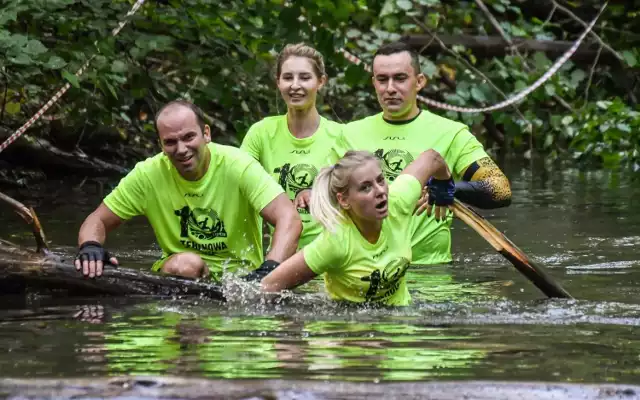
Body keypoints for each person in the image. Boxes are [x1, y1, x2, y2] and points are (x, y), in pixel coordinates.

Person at [297, 41, 512, 266]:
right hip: (366, 269)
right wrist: (309, 193)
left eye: (400, 78)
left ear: (419, 82)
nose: (390, 88)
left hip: (430, 274)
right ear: (374, 83)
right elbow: (323, 193)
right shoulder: (350, 133)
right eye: (382, 79)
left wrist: (450, 189)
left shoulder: (451, 133)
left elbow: (501, 190)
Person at [74, 100, 302, 280]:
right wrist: (90, 247)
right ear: (160, 145)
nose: (181, 149)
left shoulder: (239, 166)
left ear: (206, 134)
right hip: (178, 272)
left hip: (242, 280)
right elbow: (97, 220)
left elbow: (289, 218)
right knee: (187, 265)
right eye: (170, 142)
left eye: (188, 137)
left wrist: (270, 269)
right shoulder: (147, 175)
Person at [260, 149, 451, 306]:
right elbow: (268, 286)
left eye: (381, 180)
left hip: (400, 327)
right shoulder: (335, 242)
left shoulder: (398, 202)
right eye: (365, 187)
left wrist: (444, 186)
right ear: (344, 200)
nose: (380, 191)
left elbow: (431, 158)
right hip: (349, 335)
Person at [240, 43, 343, 249]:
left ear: (321, 81)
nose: (295, 85)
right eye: (288, 78)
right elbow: (237, 183)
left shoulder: (342, 136)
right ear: (278, 82)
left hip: (330, 253)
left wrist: (320, 193)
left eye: (305, 77)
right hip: (280, 252)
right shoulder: (261, 132)